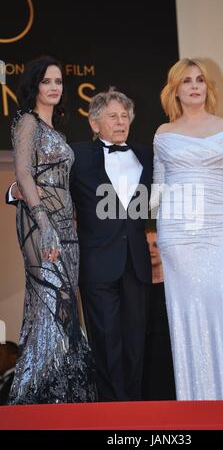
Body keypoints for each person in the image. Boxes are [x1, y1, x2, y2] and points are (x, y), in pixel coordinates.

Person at [151, 57, 223, 400]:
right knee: (184, 309)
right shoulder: (163, 133)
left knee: (221, 302)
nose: (194, 86)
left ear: (207, 87)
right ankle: (192, 399)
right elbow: (158, 191)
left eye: (199, 80)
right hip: (177, 232)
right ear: (175, 90)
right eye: (187, 81)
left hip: (219, 228)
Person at [7, 56, 97, 404]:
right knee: (50, 301)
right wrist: (43, 222)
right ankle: (35, 398)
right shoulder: (27, 122)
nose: (55, 87)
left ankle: (65, 395)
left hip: (65, 225)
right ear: (35, 86)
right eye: (47, 81)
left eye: (59, 81)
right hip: (38, 222)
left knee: (66, 309)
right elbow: (24, 175)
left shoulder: (56, 130)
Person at [69, 89, 153, 401]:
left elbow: (164, 195)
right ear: (94, 124)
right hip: (96, 263)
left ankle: (134, 409)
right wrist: (16, 191)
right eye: (112, 116)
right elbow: (47, 186)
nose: (121, 122)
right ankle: (111, 410)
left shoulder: (147, 155)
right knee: (105, 341)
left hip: (137, 262)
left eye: (125, 116)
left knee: (135, 342)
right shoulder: (75, 155)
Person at [142, 224, 176, 400]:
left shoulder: (176, 289)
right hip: (146, 360)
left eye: (156, 245)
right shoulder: (139, 289)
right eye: (146, 245)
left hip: (172, 358)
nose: (151, 250)